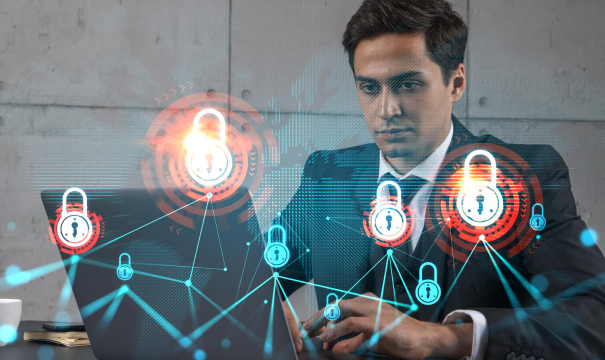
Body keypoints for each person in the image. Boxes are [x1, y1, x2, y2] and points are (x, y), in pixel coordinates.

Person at [273, 0, 605, 359]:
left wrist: (443, 339)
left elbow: (592, 320)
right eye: (369, 88)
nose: (387, 110)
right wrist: (267, 314)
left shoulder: (522, 176)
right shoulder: (327, 178)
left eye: (409, 85)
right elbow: (244, 277)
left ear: (456, 82)